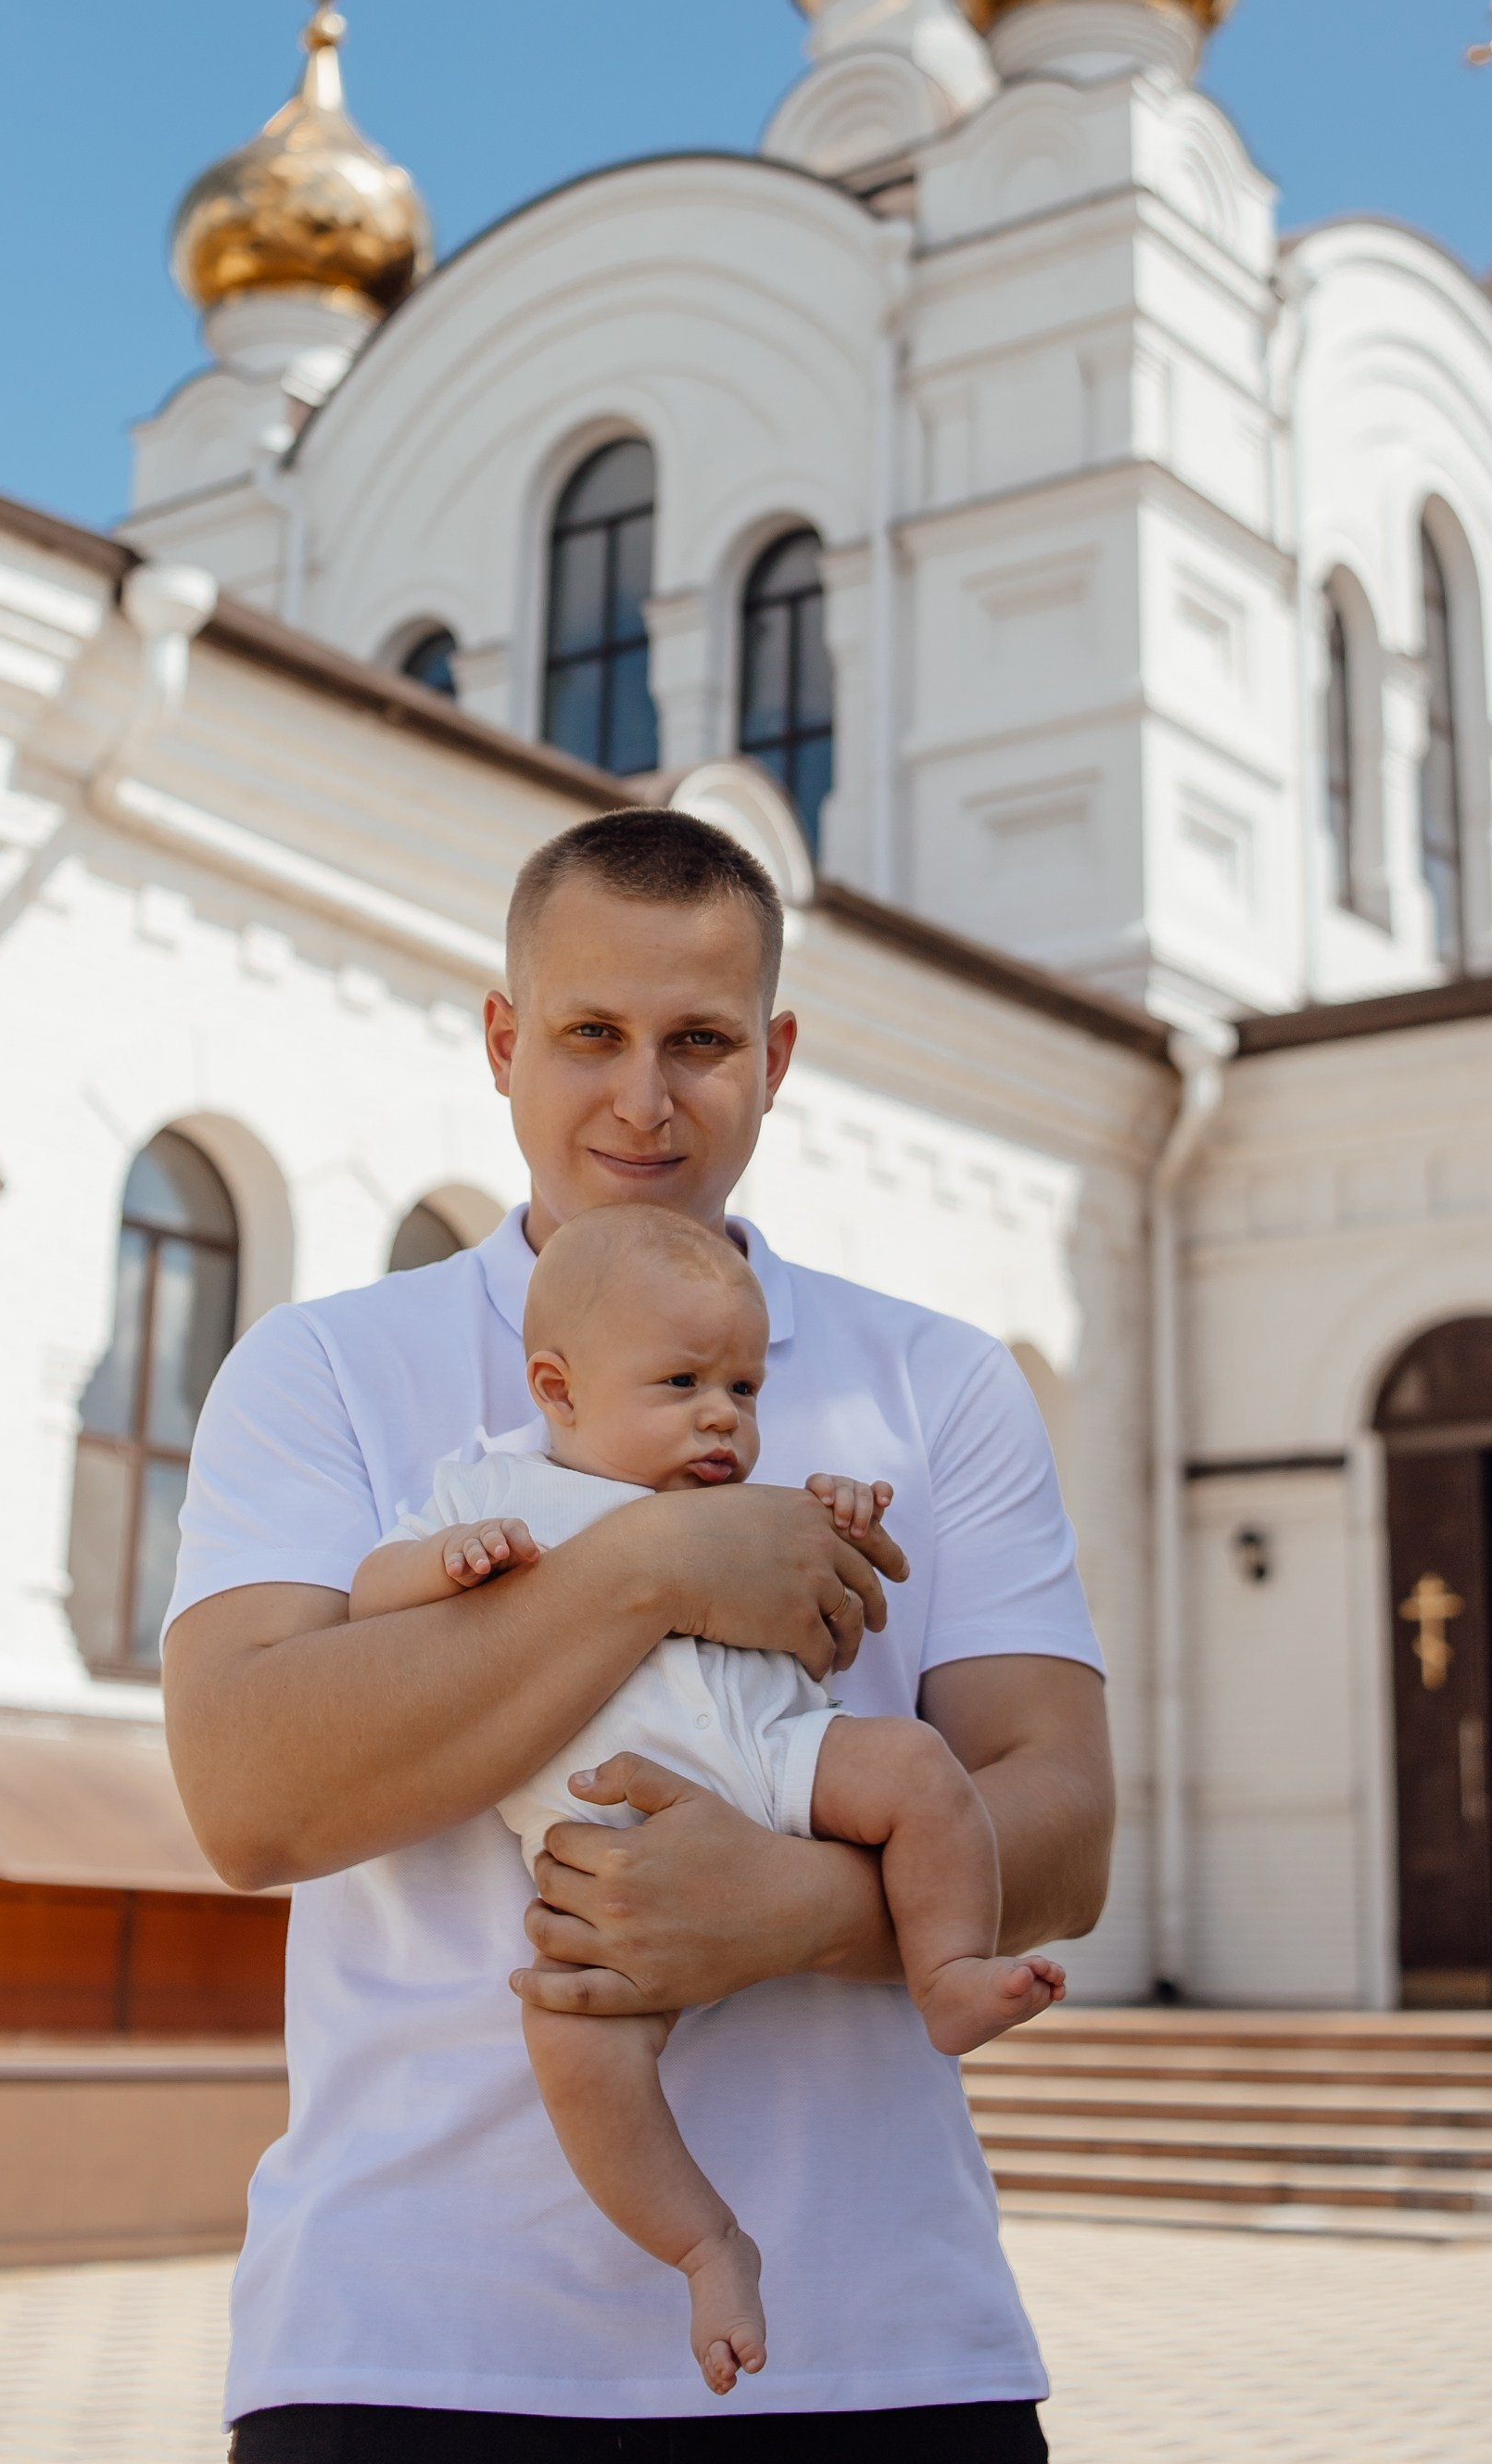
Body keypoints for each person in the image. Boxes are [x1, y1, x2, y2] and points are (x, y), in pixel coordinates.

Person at [163, 807, 1116, 2457]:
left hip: (878, 2347)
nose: (644, 1099)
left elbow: (1068, 1823)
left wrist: (791, 1912)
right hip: (410, 2345)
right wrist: (658, 1563)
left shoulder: (940, 1384)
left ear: (776, 1057)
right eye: (591, 1033)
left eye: (702, 1042)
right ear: (504, 1042)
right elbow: (249, 1799)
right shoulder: (324, 1368)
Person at [349, 1203, 1067, 2397]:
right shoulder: (493, 1490)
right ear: (558, 1388)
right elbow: (371, 1598)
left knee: (918, 1768)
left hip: (781, 1759)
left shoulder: (756, 1505)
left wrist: (843, 1520)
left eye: (743, 1386)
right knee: (573, 2044)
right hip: (609, 1851)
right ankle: (705, 2246)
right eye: (682, 1383)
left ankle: (946, 1972)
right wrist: (445, 1564)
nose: (723, 1415)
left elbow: (832, 1623)